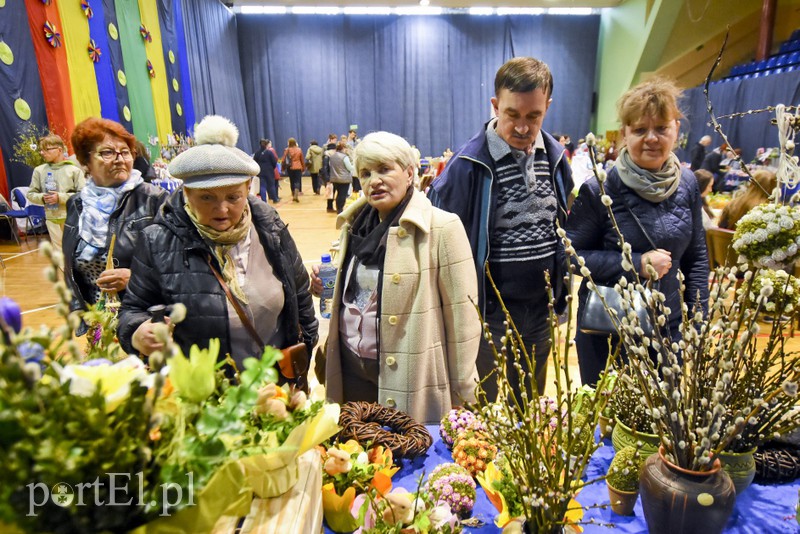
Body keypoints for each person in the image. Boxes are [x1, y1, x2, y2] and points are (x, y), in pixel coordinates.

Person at [118, 115, 318, 369]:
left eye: (233, 197)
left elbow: (300, 295)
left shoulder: (270, 226)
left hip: (277, 387)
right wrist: (136, 333)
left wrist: (305, 352)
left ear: (248, 188)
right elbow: (132, 311)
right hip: (206, 395)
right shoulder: (157, 241)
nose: (221, 209)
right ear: (187, 193)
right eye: (207, 198)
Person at [427, 56, 573, 401]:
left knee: (530, 405)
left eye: (533, 116)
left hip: (541, 311)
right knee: (486, 407)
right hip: (488, 313)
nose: (523, 127)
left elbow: (564, 230)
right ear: (495, 105)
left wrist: (561, 298)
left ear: (547, 107)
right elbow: (437, 247)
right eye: (512, 114)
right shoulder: (466, 167)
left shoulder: (555, 157)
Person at [316, 131, 480, 424]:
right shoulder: (354, 225)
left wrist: (464, 389)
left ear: (409, 173)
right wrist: (325, 285)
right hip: (352, 370)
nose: (373, 181)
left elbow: (463, 318)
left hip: (408, 376)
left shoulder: (443, 228)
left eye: (384, 169)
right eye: (365, 173)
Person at [565, 77, 709, 386]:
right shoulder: (598, 189)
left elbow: (696, 259)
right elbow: (571, 255)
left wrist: (699, 321)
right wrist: (636, 263)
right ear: (625, 134)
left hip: (669, 332)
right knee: (606, 424)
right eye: (640, 130)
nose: (651, 138)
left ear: (676, 131)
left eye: (661, 128)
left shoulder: (688, 185)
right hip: (609, 329)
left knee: (661, 421)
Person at [63, 118, 167, 328]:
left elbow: (180, 264)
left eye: (125, 151)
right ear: (86, 161)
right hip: (99, 321)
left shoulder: (155, 199)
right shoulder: (77, 204)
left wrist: (135, 278)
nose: (119, 159)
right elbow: (69, 263)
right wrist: (77, 309)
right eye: (107, 152)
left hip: (145, 317)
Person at [27, 134, 86, 254]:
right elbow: (31, 194)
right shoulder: (39, 171)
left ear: (59, 150)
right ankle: (63, 273)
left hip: (72, 218)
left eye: (46, 149)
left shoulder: (73, 170)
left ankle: (74, 273)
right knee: (59, 253)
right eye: (41, 150)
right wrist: (43, 198)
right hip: (51, 218)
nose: (42, 153)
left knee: (74, 251)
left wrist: (60, 197)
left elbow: (84, 194)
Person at [327, 141, 355, 214]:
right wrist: (354, 165)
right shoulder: (344, 157)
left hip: (334, 179)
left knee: (336, 194)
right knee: (342, 195)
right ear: (343, 148)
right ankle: (340, 209)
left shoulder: (332, 156)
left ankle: (336, 207)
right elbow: (349, 168)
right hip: (344, 179)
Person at [254, 138, 279, 203]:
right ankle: (275, 199)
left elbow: (255, 163)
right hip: (269, 171)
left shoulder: (257, 153)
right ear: (266, 145)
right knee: (271, 185)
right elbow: (274, 162)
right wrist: (272, 168)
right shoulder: (269, 152)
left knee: (262, 186)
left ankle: (264, 201)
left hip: (261, 172)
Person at [282, 138, 306, 202]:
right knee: (297, 181)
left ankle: (293, 193)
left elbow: (283, 160)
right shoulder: (299, 150)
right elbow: (302, 160)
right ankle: (296, 195)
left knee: (292, 181)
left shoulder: (287, 150)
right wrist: (303, 168)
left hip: (290, 167)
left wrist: (283, 168)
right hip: (298, 167)